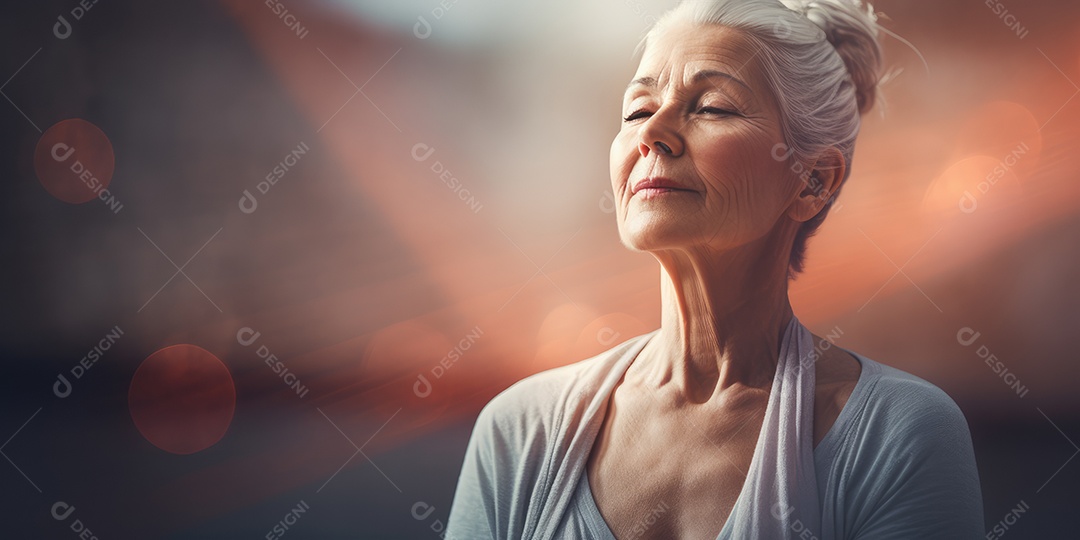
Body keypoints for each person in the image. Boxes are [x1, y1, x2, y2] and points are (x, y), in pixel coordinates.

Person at [446, 0, 984, 538]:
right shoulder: (520, 430)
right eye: (637, 109)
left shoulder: (896, 433)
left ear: (813, 180)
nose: (652, 133)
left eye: (712, 107)